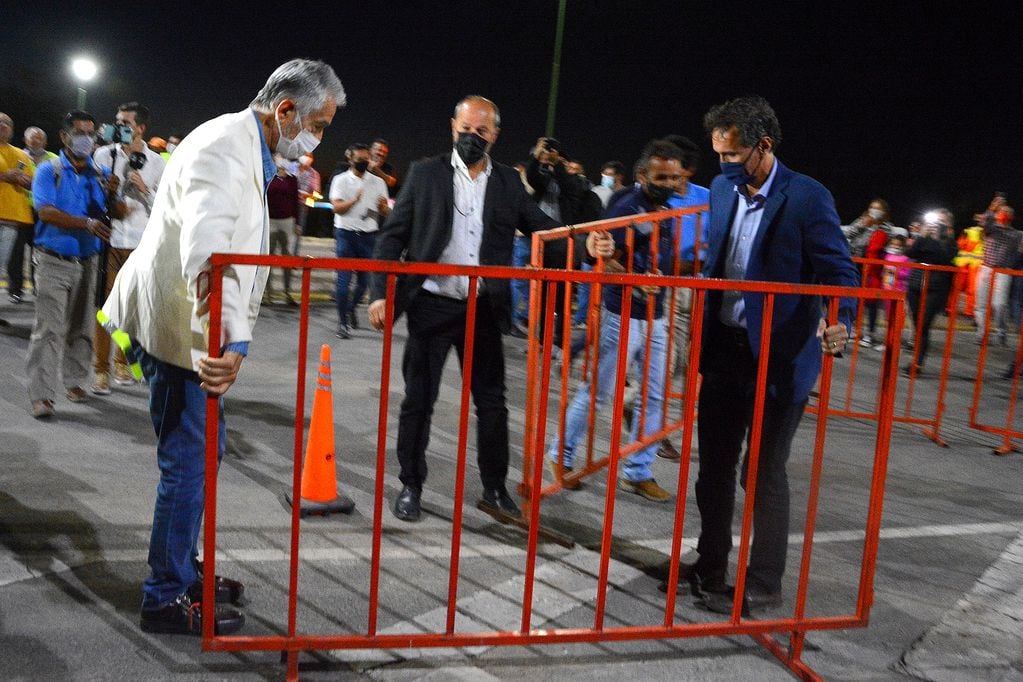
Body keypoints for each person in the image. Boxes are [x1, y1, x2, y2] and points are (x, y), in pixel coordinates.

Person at [102, 59, 345, 635]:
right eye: (319, 124)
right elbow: (211, 255)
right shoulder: (222, 149)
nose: (319, 137)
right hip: (179, 331)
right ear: (285, 111)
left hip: (177, 321)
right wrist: (230, 341)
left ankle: (182, 570)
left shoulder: (245, 146)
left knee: (202, 454)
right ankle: (165, 596)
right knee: (188, 464)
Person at [367, 95, 611, 523]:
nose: (472, 137)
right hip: (431, 305)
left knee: (493, 404)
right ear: (452, 126)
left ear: (495, 135)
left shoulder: (506, 182)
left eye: (482, 131)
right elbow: (393, 235)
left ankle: (494, 488)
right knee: (418, 401)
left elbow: (541, 228)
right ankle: (411, 484)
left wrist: (585, 244)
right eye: (466, 129)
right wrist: (379, 292)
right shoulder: (426, 174)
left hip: (482, 310)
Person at [675, 96, 858, 615]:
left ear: (764, 145)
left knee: (761, 469)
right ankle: (709, 563)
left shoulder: (807, 197)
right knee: (712, 466)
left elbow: (840, 271)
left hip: (780, 356)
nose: (724, 165)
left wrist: (840, 320)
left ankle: (764, 582)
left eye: (733, 155)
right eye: (718, 155)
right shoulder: (720, 188)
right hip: (726, 351)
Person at [549, 139, 686, 501]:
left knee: (655, 395)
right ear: (642, 175)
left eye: (674, 177)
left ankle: (638, 471)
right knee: (599, 392)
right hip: (622, 314)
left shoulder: (665, 210)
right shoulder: (627, 207)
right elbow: (604, 257)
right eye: (662, 176)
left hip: (655, 318)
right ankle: (560, 456)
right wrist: (635, 281)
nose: (669, 183)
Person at [27, 111, 126, 418]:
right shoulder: (48, 170)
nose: (86, 138)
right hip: (52, 261)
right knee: (48, 330)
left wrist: (114, 191)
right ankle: (42, 395)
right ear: (64, 137)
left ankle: (74, 381)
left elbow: (119, 212)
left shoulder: (98, 174)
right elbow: (46, 212)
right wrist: (87, 224)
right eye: (79, 132)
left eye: (90, 133)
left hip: (89, 262)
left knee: (82, 328)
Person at [90, 102, 166, 394]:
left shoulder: (157, 163)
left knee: (131, 309)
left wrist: (145, 189)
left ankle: (123, 361)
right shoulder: (103, 155)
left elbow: (166, 206)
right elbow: (93, 196)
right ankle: (100, 369)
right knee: (104, 309)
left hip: (140, 244)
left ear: (141, 128)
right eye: (117, 120)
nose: (120, 126)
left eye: (126, 122)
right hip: (110, 240)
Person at [330, 142, 390, 337]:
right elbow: (337, 208)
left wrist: (384, 209)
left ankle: (350, 308)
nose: (364, 162)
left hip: (369, 236)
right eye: (360, 159)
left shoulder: (378, 182)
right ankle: (342, 322)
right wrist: (354, 201)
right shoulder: (340, 180)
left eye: (366, 159)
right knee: (343, 280)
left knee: (365, 282)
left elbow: (387, 211)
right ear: (350, 159)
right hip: (345, 234)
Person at [902, 211, 958, 374]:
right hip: (916, 284)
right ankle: (915, 360)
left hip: (937, 287)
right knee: (917, 322)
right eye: (935, 221)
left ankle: (917, 363)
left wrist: (935, 239)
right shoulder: (923, 239)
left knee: (924, 324)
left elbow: (945, 258)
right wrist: (923, 235)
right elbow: (910, 253)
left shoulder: (950, 243)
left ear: (948, 226)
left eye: (941, 222)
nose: (937, 225)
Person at [11, 126, 57, 303]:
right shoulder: (18, 156)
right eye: (32, 138)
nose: (35, 141)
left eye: (39, 138)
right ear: (25, 140)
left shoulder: (54, 159)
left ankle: (39, 287)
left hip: (44, 211)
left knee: (40, 252)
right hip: (21, 209)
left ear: (45, 142)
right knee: (17, 252)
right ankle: (16, 290)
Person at [974, 196, 1020, 345]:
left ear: (1012, 217)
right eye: (1001, 211)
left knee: (999, 304)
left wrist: (1010, 266)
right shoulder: (991, 228)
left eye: (1007, 212)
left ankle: (1001, 331)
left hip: (1002, 271)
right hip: (986, 268)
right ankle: (982, 334)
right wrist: (991, 208)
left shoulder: (1016, 234)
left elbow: (1018, 252)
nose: (1003, 214)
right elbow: (984, 223)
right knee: (981, 304)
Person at [0, 113, 35, 307]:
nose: (3, 125)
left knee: (2, 266)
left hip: (12, 220)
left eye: (7, 123)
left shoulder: (21, 154)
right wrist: (6, 176)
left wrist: (25, 180)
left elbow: (31, 182)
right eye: (0, 122)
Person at [266, 154, 300, 305]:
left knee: (287, 258)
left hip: (287, 221)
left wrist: (297, 222)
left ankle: (287, 292)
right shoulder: (268, 175)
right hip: (270, 221)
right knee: (268, 259)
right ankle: (267, 294)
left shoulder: (292, 178)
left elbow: (295, 201)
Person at [295, 151, 321, 242]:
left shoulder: (314, 174)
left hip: (302, 207)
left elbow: (316, 195)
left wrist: (307, 195)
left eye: (309, 156)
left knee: (297, 232)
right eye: (304, 155)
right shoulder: (291, 168)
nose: (306, 158)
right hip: (287, 203)